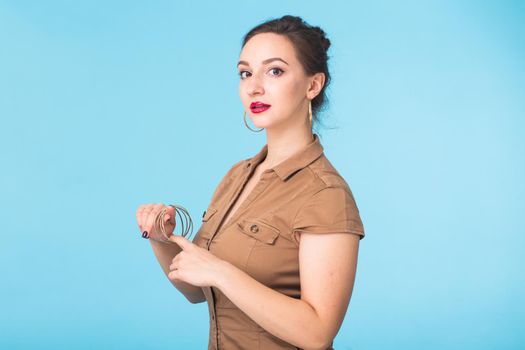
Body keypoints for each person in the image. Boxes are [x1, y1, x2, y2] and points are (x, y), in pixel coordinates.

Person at [136, 15, 365, 350]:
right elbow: (198, 291)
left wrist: (221, 272)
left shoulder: (326, 194)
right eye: (246, 73)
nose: (254, 86)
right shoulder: (237, 176)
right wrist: (160, 239)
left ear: (313, 85)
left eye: (275, 71)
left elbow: (318, 333)